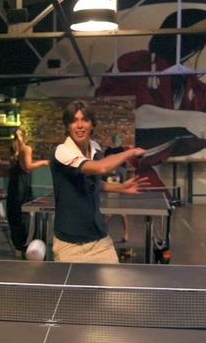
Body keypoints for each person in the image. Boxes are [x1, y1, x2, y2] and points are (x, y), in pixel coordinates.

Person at [94, 9, 206, 192]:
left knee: (160, 201)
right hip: (104, 162)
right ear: (189, 44)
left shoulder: (195, 87)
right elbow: (128, 116)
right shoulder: (138, 63)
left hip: (138, 167)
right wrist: (187, 118)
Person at [50, 101, 150, 263]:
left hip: (99, 239)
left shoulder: (95, 148)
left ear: (92, 125)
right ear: (67, 126)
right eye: (74, 120)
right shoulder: (62, 151)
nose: (80, 125)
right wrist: (130, 152)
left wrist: (121, 188)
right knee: (74, 289)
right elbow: (100, 169)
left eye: (85, 120)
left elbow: (93, 182)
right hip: (70, 243)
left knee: (114, 289)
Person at [6, 128, 49, 255]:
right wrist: (44, 163)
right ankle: (24, 245)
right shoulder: (26, 148)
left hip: (13, 183)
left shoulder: (12, 149)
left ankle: (17, 245)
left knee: (14, 212)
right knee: (23, 212)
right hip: (22, 183)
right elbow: (28, 166)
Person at [102, 133, 131, 243]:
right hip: (109, 197)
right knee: (107, 217)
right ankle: (104, 235)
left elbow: (124, 184)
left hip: (119, 197)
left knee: (123, 215)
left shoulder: (120, 172)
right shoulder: (105, 173)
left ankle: (126, 234)